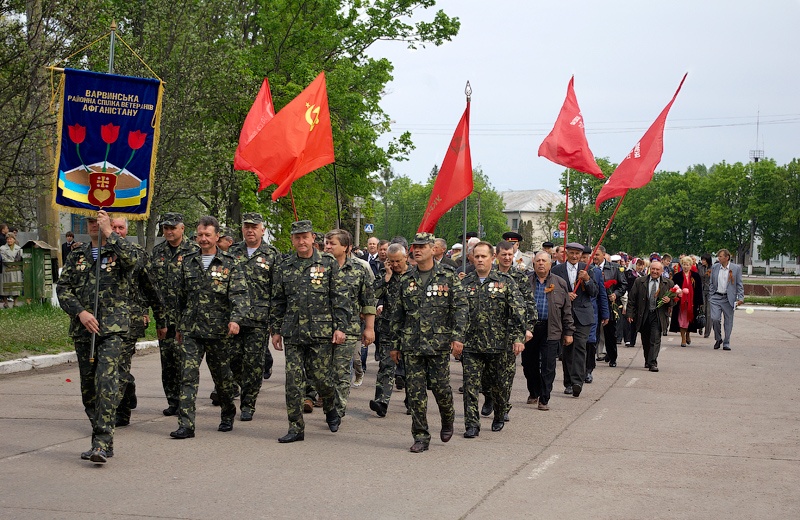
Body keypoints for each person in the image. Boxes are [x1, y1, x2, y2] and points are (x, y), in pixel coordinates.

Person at [57, 210, 136, 463]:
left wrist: (110, 233)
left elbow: (133, 261)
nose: (94, 225)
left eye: (98, 221)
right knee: (89, 389)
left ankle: (101, 443)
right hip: (84, 329)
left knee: (106, 383)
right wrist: (80, 312)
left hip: (112, 329)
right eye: (90, 221)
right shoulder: (77, 254)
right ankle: (102, 438)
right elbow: (64, 288)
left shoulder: (119, 250)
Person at [271, 220, 350, 443]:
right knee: (293, 382)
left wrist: (340, 327)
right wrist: (275, 330)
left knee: (321, 379)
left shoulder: (328, 263)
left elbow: (340, 298)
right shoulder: (285, 266)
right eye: (297, 237)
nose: (301, 241)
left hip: (320, 332)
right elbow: (278, 301)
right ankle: (295, 427)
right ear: (292, 240)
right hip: (294, 333)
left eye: (305, 237)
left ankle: (331, 407)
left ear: (313, 238)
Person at [170, 216, 249, 439]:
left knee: (222, 379)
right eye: (200, 235)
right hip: (192, 330)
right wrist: (178, 325)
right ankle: (186, 424)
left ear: (217, 236)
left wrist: (235, 319)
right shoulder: (188, 261)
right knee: (187, 376)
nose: (203, 239)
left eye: (207, 235)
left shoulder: (230, 263)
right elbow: (180, 297)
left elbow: (240, 296)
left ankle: (227, 412)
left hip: (219, 331)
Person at [389, 232, 467, 453]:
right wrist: (394, 345)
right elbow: (397, 314)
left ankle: (448, 419)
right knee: (415, 393)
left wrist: (458, 337)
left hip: (438, 344)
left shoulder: (448, 276)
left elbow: (460, 307)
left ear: (433, 249)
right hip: (412, 344)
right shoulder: (406, 279)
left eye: (422, 246)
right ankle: (421, 436)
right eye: (415, 246)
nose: (417, 250)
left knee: (441, 389)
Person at [461, 242, 526, 437]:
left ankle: (499, 413)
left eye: (484, 256)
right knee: (470, 386)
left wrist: (518, 337)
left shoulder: (505, 281)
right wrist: (455, 338)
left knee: (499, 386)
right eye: (477, 256)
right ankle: (472, 424)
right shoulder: (465, 283)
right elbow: (456, 313)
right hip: (471, 345)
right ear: (472, 258)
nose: (480, 260)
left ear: (492, 258)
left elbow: (518, 311)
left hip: (498, 345)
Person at [109, 217, 166, 427]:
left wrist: (160, 318)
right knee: (109, 368)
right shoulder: (96, 253)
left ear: (127, 230)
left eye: (120, 228)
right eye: (113, 227)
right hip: (101, 321)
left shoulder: (137, 253)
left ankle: (116, 413)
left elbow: (150, 288)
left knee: (119, 367)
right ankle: (128, 390)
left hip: (129, 321)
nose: (117, 231)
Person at [227, 212, 281, 421]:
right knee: (233, 359)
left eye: (254, 227)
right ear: (242, 229)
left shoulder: (272, 254)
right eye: (247, 226)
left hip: (258, 319)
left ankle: (248, 404)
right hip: (235, 318)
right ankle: (241, 387)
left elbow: (277, 292)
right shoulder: (233, 252)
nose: (250, 230)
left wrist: (275, 325)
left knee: (254, 363)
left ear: (262, 230)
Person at [150, 213, 199, 416]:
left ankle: (186, 402)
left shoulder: (194, 250)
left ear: (182, 228)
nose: (169, 232)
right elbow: (151, 285)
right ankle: (173, 401)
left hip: (187, 318)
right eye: (166, 228)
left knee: (185, 363)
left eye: (173, 228)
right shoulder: (158, 251)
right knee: (168, 362)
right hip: (164, 317)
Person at [324, 229, 375, 418]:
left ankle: (337, 410)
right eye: (326, 243)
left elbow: (368, 301)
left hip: (349, 328)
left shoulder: (359, 269)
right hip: (321, 327)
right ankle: (326, 402)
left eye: (332, 244)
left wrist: (369, 328)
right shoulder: (318, 267)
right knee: (322, 372)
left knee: (342, 371)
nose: (327, 247)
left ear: (345, 247)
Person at [521, 251, 574, 411]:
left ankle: (544, 398)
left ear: (550, 264)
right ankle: (534, 391)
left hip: (551, 329)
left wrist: (568, 332)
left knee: (548, 365)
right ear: (533, 263)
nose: (541, 263)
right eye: (538, 261)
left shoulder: (560, 283)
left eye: (544, 261)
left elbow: (567, 310)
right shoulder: (525, 281)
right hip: (529, 330)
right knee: (528, 364)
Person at [490, 240, 536, 420]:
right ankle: (490, 397)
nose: (507, 258)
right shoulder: (489, 274)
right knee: (488, 372)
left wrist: (528, 328)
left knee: (507, 372)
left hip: (511, 331)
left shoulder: (520, 277)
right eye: (504, 255)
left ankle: (503, 406)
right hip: (488, 331)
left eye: (510, 255)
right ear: (496, 256)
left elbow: (529, 304)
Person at [551, 242, 597, 396]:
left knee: (580, 347)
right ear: (567, 253)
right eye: (572, 253)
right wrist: (565, 295)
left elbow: (594, 292)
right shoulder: (557, 270)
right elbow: (551, 291)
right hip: (564, 315)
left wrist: (587, 280)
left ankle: (578, 382)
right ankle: (569, 382)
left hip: (583, 315)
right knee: (567, 349)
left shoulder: (588, 268)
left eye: (578, 254)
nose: (575, 256)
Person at [369, 242, 409, 417]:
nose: (395, 264)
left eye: (398, 261)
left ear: (406, 258)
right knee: (386, 366)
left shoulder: (415, 275)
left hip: (409, 329)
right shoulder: (385, 274)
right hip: (388, 328)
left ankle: (412, 402)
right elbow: (373, 294)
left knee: (411, 368)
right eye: (391, 261)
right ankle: (381, 402)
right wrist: (387, 277)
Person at [626, 261, 675, 372]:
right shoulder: (640, 281)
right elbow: (632, 299)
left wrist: (669, 300)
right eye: (653, 269)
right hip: (644, 314)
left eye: (657, 270)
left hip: (658, 315)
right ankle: (648, 360)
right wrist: (630, 313)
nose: (655, 271)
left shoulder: (668, 283)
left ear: (662, 271)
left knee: (655, 338)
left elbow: (674, 301)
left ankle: (653, 362)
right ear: (649, 269)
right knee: (646, 339)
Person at [592, 246, 627, 367]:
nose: (595, 257)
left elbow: (623, 285)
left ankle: (612, 357)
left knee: (610, 333)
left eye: (597, 254)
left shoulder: (615, 268)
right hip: (593, 304)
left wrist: (615, 294)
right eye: (593, 255)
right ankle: (591, 358)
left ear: (603, 255)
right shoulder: (589, 268)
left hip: (609, 305)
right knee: (593, 332)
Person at [709, 249, 744, 351]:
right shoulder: (715, 267)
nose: (718, 258)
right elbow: (711, 282)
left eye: (720, 256)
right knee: (715, 319)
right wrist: (711, 294)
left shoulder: (736, 268)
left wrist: (740, 297)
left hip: (729, 298)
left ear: (727, 257)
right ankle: (718, 338)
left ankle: (726, 342)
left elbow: (739, 284)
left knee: (728, 321)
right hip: (716, 297)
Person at [669, 256, 704, 347]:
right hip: (680, 302)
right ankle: (683, 338)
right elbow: (673, 288)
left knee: (690, 320)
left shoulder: (695, 276)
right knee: (681, 319)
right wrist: (677, 293)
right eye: (684, 264)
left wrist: (700, 302)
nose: (685, 266)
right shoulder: (677, 276)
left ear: (691, 265)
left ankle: (688, 334)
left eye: (687, 265)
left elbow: (699, 290)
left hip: (692, 302)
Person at [0, 232, 23, 307]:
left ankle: (15, 303)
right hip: (7, 269)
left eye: (11, 239)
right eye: (8, 239)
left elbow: (20, 257)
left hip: (16, 269)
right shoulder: (2, 248)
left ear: (14, 240)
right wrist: (12, 263)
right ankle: (6, 303)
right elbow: (4, 258)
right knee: (5, 286)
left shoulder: (19, 248)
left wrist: (16, 263)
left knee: (15, 287)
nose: (9, 240)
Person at [697, 254, 713, 338]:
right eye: (702, 260)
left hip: (710, 291)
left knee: (709, 312)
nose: (702, 261)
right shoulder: (700, 268)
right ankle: (700, 326)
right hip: (701, 290)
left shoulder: (713, 268)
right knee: (701, 310)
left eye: (704, 260)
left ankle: (707, 332)